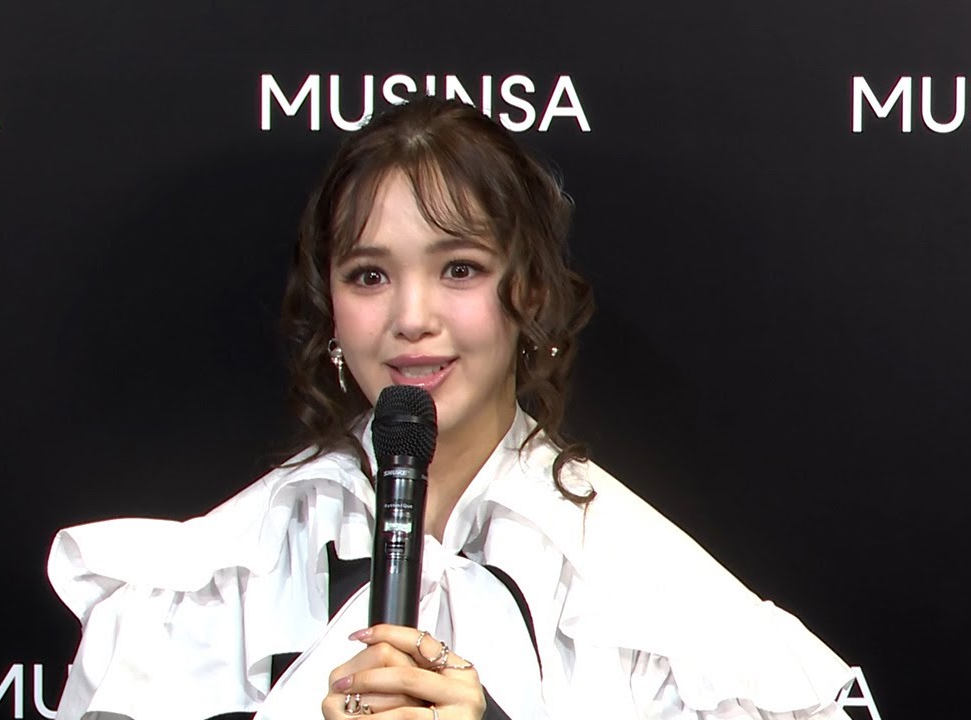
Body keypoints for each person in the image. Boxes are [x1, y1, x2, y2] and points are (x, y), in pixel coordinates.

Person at [47, 97, 852, 720]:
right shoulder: (200, 595)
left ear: (527, 292)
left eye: (459, 268)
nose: (412, 317)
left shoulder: (655, 602)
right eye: (369, 275)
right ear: (331, 309)